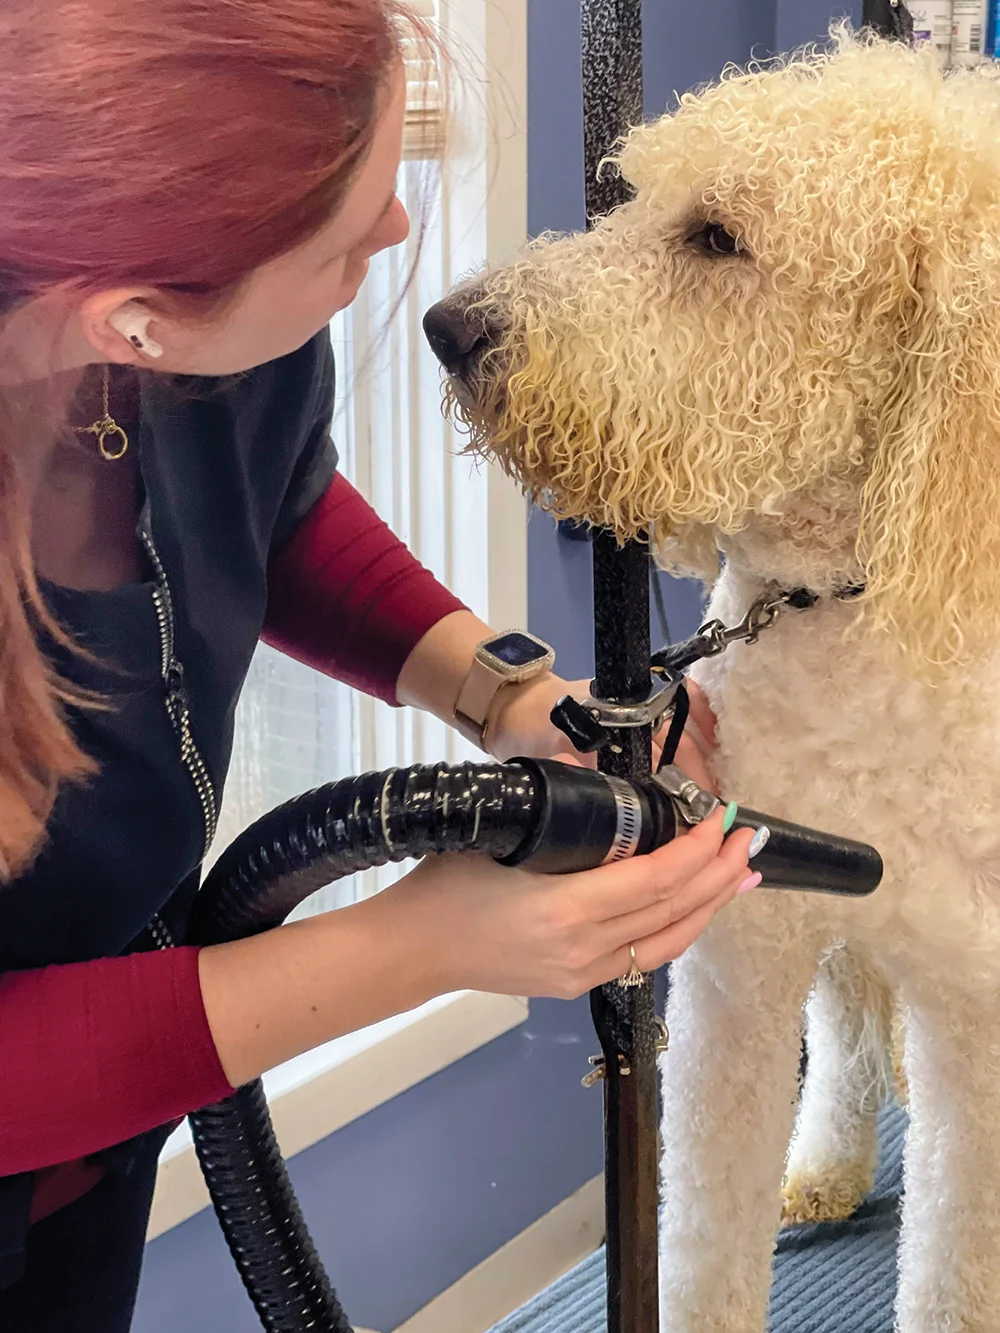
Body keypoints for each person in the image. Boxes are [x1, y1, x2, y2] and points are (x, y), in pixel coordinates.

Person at [0, 1, 756, 1328]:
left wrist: (509, 694)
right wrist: (419, 945)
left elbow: (266, 511)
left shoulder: (183, 343)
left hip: (94, 1147)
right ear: (134, 319)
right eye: (348, 244)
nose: (396, 235)